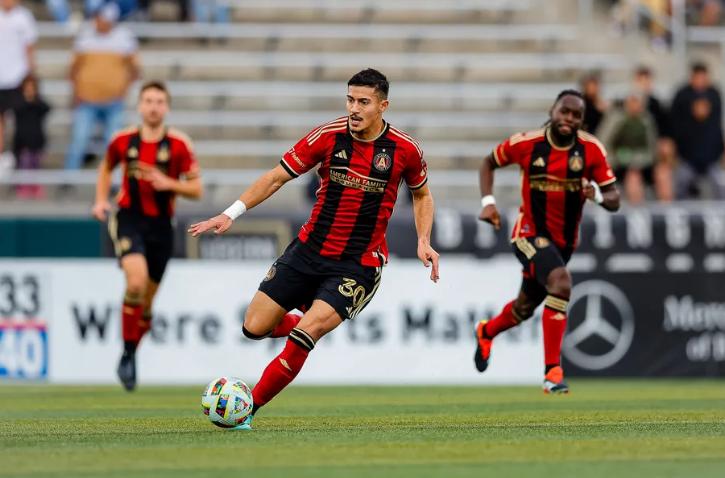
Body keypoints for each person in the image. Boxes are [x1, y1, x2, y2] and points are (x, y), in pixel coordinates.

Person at [188, 68, 439, 429]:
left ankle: (247, 410)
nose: (354, 108)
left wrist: (423, 239)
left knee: (306, 335)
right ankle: (295, 322)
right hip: (307, 251)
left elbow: (422, 194)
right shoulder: (327, 136)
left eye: (363, 102)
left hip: (357, 265)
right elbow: (276, 176)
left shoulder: (404, 150)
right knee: (253, 327)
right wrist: (231, 213)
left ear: (383, 106)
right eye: (350, 99)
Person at [474, 90, 620, 394]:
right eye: (564, 112)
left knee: (524, 308)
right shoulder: (527, 144)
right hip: (527, 233)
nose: (568, 118)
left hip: (563, 243)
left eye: (575, 115)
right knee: (562, 283)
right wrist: (488, 202)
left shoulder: (591, 150)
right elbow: (488, 163)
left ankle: (486, 331)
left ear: (582, 120)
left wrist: (596, 194)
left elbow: (614, 198)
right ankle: (552, 372)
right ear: (553, 111)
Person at [92, 81, 203, 391]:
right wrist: (101, 200)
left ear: (166, 108)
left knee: (148, 305)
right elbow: (105, 168)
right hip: (129, 218)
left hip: (161, 227)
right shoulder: (122, 140)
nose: (153, 106)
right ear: (140, 106)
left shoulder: (179, 145)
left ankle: (130, 352)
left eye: (159, 101)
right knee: (136, 283)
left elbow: (196, 188)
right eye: (148, 101)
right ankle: (128, 355)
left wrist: (170, 184)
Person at [65, 2, 140, 170]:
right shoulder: (85, 36)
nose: (97, 22)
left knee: (113, 143)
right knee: (79, 140)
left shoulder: (124, 37)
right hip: (87, 99)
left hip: (113, 101)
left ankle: (114, 182)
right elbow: (73, 70)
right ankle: (68, 177)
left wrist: (123, 89)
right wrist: (77, 91)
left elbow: (135, 70)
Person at [670, 62, 725, 199]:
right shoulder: (682, 96)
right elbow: (673, 128)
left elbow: (717, 131)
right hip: (686, 159)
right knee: (681, 182)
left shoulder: (714, 94)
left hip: (712, 159)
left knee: (720, 183)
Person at [597, 91, 657, 204]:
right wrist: (617, 158)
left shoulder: (646, 120)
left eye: (637, 102)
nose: (634, 106)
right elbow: (603, 143)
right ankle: (636, 211)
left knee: (662, 174)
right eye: (632, 102)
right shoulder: (616, 119)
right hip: (617, 163)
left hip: (643, 163)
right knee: (633, 177)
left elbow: (652, 148)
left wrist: (639, 160)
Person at [0, 0, 37, 165]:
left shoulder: (24, 17)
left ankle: (18, 161)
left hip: (17, 78)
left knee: (22, 124)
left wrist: (30, 75)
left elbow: (29, 48)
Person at [13, 74, 50, 199]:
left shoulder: (38, 104)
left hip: (37, 140)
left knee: (36, 165)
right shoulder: (19, 103)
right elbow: (16, 108)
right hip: (23, 141)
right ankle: (23, 187)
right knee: (24, 164)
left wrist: (34, 99)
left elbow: (47, 108)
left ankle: (35, 187)